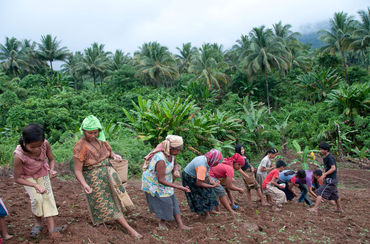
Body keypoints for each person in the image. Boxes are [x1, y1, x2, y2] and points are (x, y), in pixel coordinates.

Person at [73, 115, 142, 238]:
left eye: (95, 132)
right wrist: (85, 184)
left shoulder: (101, 140)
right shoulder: (80, 147)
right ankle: (129, 229)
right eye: (90, 133)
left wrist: (115, 156)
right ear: (83, 131)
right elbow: (77, 170)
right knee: (106, 202)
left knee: (116, 198)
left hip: (108, 172)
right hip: (94, 178)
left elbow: (109, 153)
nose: (93, 135)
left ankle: (113, 220)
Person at [13, 124, 65, 238]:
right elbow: (17, 178)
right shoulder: (19, 155)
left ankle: (52, 230)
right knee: (37, 199)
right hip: (27, 177)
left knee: (48, 197)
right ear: (25, 143)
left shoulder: (45, 144)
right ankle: (38, 223)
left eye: (39, 146)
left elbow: (51, 159)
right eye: (32, 147)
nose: (37, 149)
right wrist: (35, 185)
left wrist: (51, 170)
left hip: (43, 172)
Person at [142, 135, 192, 230]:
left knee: (173, 200)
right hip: (154, 182)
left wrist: (176, 170)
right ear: (171, 148)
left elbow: (175, 164)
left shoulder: (172, 154)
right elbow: (160, 180)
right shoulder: (161, 159)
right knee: (165, 202)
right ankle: (162, 223)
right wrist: (179, 187)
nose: (179, 152)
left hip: (165, 178)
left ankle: (180, 225)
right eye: (178, 149)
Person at [182, 149, 223, 220]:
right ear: (214, 160)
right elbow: (199, 183)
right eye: (217, 163)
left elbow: (206, 172)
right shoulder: (202, 165)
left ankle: (210, 210)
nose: (217, 164)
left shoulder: (206, 159)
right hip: (189, 177)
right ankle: (204, 214)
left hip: (196, 175)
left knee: (207, 191)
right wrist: (212, 186)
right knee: (199, 194)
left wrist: (210, 180)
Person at [309, 142, 343, 213]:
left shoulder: (330, 157)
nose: (321, 151)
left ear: (326, 150)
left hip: (330, 180)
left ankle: (315, 208)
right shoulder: (327, 157)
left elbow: (333, 168)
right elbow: (327, 168)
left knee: (319, 192)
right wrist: (324, 174)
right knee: (335, 195)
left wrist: (324, 174)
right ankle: (339, 209)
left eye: (322, 149)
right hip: (332, 179)